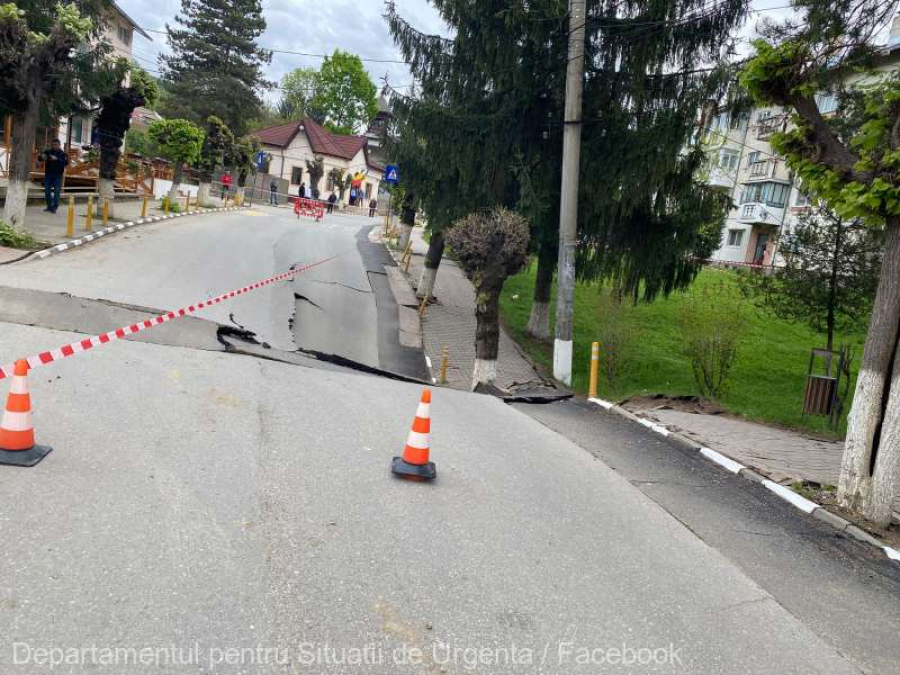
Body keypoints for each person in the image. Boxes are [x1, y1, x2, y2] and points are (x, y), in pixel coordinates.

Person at [38, 139, 68, 213]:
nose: (54, 146)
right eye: (53, 145)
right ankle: (49, 206)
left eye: (56, 145)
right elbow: (40, 159)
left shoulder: (63, 154)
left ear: (59, 145)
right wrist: (41, 157)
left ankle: (54, 207)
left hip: (58, 175)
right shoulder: (48, 151)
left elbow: (66, 163)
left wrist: (57, 159)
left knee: (56, 192)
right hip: (48, 174)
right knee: (46, 191)